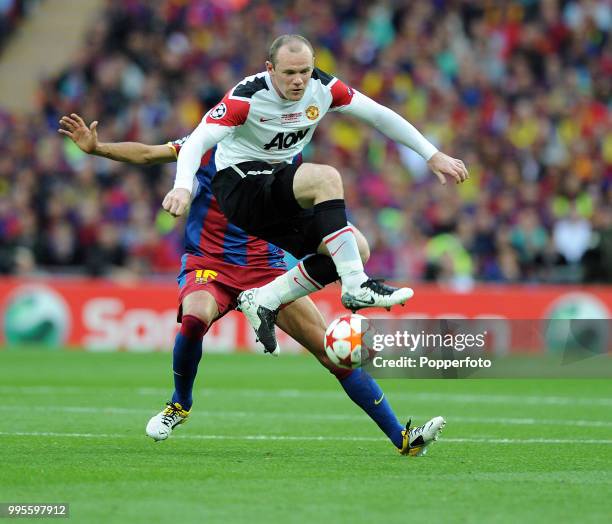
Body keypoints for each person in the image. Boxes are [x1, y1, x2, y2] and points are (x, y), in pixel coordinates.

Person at [58, 113, 446, 456]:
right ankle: (180, 404)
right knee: (195, 318)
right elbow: (148, 154)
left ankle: (403, 438)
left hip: (267, 270)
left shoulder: (285, 157)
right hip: (210, 263)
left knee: (332, 353)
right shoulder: (208, 145)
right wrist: (97, 149)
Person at [164, 34, 468, 356]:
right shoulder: (246, 97)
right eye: (289, 73)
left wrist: (430, 154)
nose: (298, 81)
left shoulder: (323, 89)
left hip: (276, 191)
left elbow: (379, 115)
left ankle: (265, 299)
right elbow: (196, 141)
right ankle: (355, 286)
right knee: (326, 178)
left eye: (305, 71)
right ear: (270, 69)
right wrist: (182, 186)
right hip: (239, 190)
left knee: (356, 249)